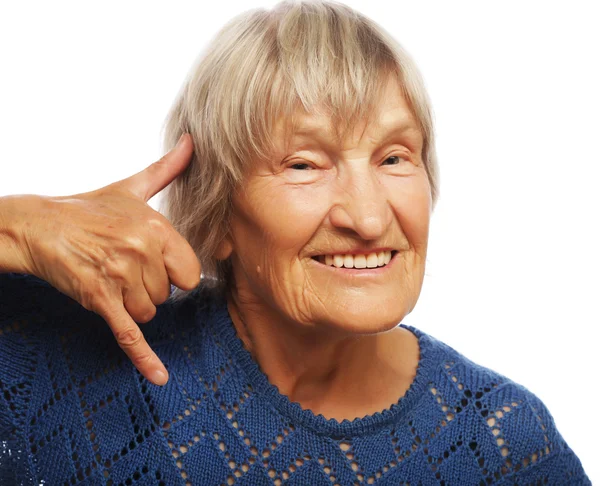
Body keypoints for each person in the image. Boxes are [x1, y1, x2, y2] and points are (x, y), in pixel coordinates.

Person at [0, 0, 590, 484]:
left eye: (394, 157)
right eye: (305, 164)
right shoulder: (50, 373)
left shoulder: (503, 446)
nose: (367, 215)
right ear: (219, 212)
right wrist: (18, 226)